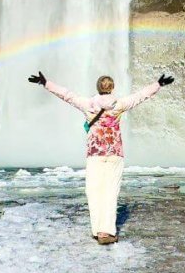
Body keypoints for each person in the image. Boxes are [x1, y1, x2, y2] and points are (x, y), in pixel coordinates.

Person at [28, 71, 174, 245]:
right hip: (114, 153)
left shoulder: (88, 104)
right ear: (112, 88)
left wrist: (45, 82)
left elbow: (67, 95)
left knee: (94, 191)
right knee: (110, 192)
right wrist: (158, 84)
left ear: (98, 88)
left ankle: (97, 230)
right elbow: (140, 96)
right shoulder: (119, 104)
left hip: (95, 153)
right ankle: (107, 232)